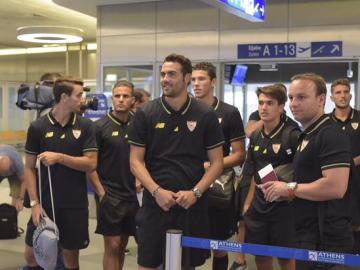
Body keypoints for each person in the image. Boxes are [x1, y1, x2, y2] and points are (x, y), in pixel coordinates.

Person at [128, 53, 224, 270]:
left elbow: (217, 162)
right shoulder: (146, 113)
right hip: (155, 204)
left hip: (191, 205)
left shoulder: (205, 114)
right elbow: (135, 161)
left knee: (186, 266)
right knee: (147, 265)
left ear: (187, 77)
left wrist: (195, 193)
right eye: (163, 74)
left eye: (172, 74)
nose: (165, 79)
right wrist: (156, 191)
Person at [263, 73, 353, 270]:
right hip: (307, 232)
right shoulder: (307, 134)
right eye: (291, 98)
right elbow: (308, 181)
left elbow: (335, 187)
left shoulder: (330, 134)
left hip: (327, 237)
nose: (293, 103)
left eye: (301, 97)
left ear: (321, 99)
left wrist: (288, 188)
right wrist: (283, 192)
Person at [23, 76, 98, 270]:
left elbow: (91, 163)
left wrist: (60, 157)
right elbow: (29, 168)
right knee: (32, 257)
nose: (83, 99)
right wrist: (34, 204)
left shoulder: (86, 126)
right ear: (64, 97)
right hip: (44, 204)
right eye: (79, 95)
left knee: (70, 259)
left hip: (74, 206)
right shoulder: (38, 127)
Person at [191, 62, 246, 270]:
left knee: (219, 244)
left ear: (213, 81)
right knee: (188, 243)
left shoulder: (229, 112)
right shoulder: (186, 110)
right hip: (188, 184)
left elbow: (240, 154)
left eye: (201, 79)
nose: (196, 84)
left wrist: (212, 164)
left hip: (217, 187)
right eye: (193, 79)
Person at [243, 84, 300, 270]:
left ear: (281, 106)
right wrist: (248, 203)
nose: (263, 107)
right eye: (260, 103)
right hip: (259, 208)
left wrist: (291, 193)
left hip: (284, 210)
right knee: (261, 257)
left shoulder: (293, 135)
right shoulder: (256, 135)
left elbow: (302, 175)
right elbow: (256, 173)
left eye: (270, 103)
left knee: (285, 258)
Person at [87, 80, 138, 270]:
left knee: (123, 245)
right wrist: (101, 193)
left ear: (132, 100)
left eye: (125, 96)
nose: (121, 100)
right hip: (110, 195)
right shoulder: (99, 127)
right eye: (117, 96)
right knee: (113, 246)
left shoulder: (139, 124)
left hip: (133, 195)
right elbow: (90, 165)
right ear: (112, 98)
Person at [329, 78, 360, 254]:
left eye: (345, 91)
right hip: (332, 183)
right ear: (331, 97)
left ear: (351, 94)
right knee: (335, 224)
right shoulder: (325, 122)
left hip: (357, 182)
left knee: (357, 225)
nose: (342, 95)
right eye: (338, 92)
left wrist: (349, 163)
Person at [0, 144, 25, 211]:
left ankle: (12, 215)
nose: (5, 175)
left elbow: (24, 181)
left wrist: (20, 198)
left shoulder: (17, 163)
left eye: (6, 172)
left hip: (14, 174)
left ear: (11, 163)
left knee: (16, 195)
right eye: (3, 173)